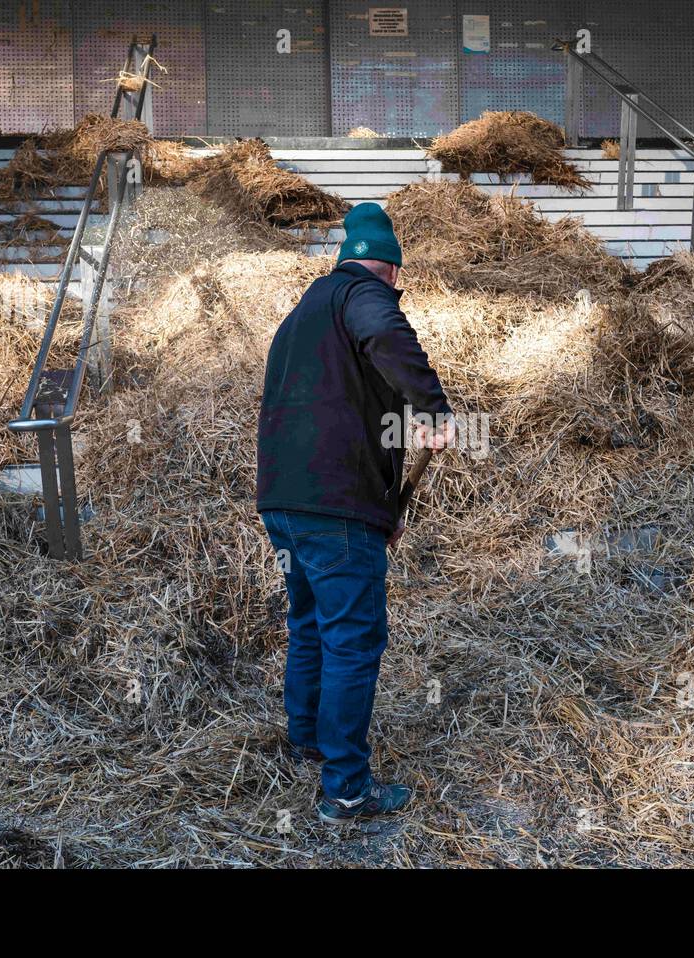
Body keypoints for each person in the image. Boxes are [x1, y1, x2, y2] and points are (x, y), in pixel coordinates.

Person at [256, 201, 456, 824]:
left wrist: (383, 509)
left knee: (311, 623)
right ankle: (346, 788)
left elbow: (341, 410)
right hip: (334, 507)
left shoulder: (301, 315)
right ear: (389, 269)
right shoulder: (362, 295)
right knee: (352, 640)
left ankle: (308, 738)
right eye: (395, 280)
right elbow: (388, 335)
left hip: (286, 504)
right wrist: (434, 407)